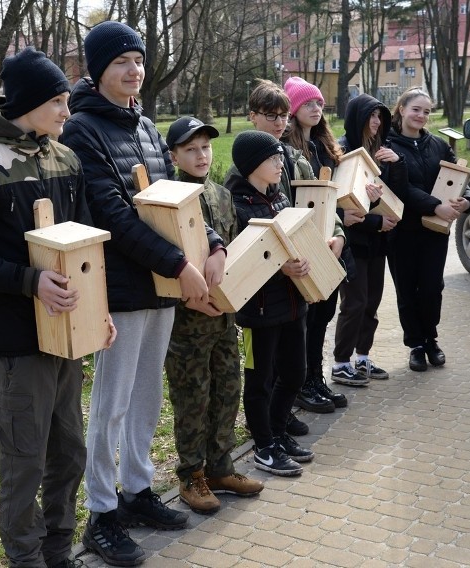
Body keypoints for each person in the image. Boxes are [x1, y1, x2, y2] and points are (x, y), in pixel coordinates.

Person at [0, 47, 115, 568]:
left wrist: (98, 311)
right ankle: (26, 557)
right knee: (24, 459)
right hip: (20, 340)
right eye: (58, 101)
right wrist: (29, 281)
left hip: (70, 335)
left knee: (68, 454)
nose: (67, 111)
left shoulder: (66, 159)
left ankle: (59, 551)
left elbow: (85, 246)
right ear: (29, 104)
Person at [59, 22, 226, 567]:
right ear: (97, 70)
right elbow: (113, 214)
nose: (134, 70)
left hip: (161, 287)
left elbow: (178, 200)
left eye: (138, 59)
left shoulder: (147, 127)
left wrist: (214, 245)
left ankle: (135, 490)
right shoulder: (82, 130)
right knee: (111, 402)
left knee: (147, 394)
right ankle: (101, 513)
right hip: (121, 287)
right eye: (121, 62)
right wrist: (180, 264)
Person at [226, 79, 346, 433]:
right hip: (265, 294)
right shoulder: (241, 179)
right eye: (272, 115)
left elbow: (315, 202)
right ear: (253, 116)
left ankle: (281, 418)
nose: (281, 122)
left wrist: (335, 233)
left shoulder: (293, 160)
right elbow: (247, 245)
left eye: (284, 116)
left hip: (299, 277)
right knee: (264, 369)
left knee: (295, 357)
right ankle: (266, 432)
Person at [163, 116, 265, 515]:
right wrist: (183, 298)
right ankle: (192, 474)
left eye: (205, 147)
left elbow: (235, 249)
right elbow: (161, 260)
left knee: (227, 387)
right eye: (190, 149)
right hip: (186, 321)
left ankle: (221, 466)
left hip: (222, 314)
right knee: (193, 397)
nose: (201, 155)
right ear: (173, 155)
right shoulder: (167, 197)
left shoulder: (222, 195)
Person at [225, 130, 316, 477]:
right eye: (272, 158)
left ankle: (278, 433)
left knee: (295, 373)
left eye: (281, 156)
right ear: (251, 165)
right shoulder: (236, 204)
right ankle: (264, 446)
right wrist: (282, 267)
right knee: (260, 379)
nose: (281, 164)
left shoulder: (279, 197)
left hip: (293, 303)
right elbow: (242, 261)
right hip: (259, 309)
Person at [386, 87, 470, 372]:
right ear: (401, 109)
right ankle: (415, 345)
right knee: (407, 289)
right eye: (416, 109)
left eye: (426, 111)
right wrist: (435, 206)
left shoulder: (437, 145)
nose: (421, 115)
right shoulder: (389, 147)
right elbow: (399, 188)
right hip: (404, 231)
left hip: (436, 232)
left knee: (433, 288)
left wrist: (466, 201)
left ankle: (431, 339)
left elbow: (459, 177)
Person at [282, 76, 349, 408]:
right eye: (308, 103)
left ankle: (314, 379)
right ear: (293, 109)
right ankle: (300, 384)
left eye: (320, 103)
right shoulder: (289, 152)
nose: (316, 108)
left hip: (331, 243)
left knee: (324, 315)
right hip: (304, 243)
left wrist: (338, 233)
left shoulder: (327, 149)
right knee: (306, 319)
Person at [331, 94, 407, 386]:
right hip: (352, 242)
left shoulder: (381, 150)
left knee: (372, 301)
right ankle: (340, 362)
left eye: (380, 117)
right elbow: (343, 205)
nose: (376, 122)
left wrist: (397, 164)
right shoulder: (345, 151)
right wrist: (376, 220)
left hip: (378, 243)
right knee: (355, 302)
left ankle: (362, 357)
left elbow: (394, 195)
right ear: (357, 118)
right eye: (371, 116)